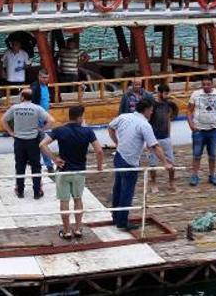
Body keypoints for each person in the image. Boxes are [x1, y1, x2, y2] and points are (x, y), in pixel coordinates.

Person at [40, 106, 104, 239]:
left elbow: (42, 145)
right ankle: (78, 229)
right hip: (79, 171)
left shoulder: (59, 130)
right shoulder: (88, 131)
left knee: (64, 201)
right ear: (80, 117)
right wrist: (99, 167)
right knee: (78, 199)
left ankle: (66, 230)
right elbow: (99, 151)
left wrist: (54, 159)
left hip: (63, 170)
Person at [108, 99, 172, 231]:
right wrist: (166, 163)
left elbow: (110, 127)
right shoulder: (144, 124)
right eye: (151, 110)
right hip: (130, 161)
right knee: (127, 191)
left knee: (118, 187)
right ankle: (122, 222)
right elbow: (154, 145)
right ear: (147, 110)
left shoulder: (124, 116)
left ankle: (115, 216)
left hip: (119, 156)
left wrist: (117, 142)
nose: (152, 112)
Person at [1, 89, 55, 199]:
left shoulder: (15, 108)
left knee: (20, 166)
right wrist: (42, 129)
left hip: (19, 141)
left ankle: (20, 191)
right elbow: (51, 121)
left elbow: (3, 120)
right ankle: (37, 191)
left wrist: (11, 132)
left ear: (22, 97)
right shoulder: (37, 108)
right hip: (33, 141)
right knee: (36, 167)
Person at [187, 75, 216, 187]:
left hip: (213, 130)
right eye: (204, 84)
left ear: (212, 84)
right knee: (196, 154)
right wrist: (191, 126)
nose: (206, 86)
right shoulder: (195, 94)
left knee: (213, 155)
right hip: (199, 130)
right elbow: (189, 111)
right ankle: (195, 175)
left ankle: (212, 175)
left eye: (208, 84)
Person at [149, 83, 179, 193]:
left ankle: (172, 183)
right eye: (165, 93)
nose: (167, 95)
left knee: (171, 161)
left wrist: (172, 117)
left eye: (167, 93)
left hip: (165, 137)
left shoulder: (168, 104)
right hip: (153, 138)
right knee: (153, 163)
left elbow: (175, 110)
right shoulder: (153, 104)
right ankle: (153, 183)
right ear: (159, 93)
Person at [31, 69, 55, 173]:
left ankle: (45, 163)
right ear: (39, 77)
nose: (45, 79)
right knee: (42, 142)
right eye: (43, 77)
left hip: (44, 117)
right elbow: (33, 104)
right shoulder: (36, 87)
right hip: (37, 118)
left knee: (40, 142)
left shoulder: (46, 87)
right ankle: (48, 165)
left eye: (47, 77)